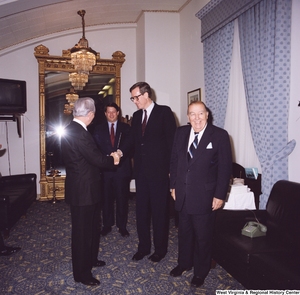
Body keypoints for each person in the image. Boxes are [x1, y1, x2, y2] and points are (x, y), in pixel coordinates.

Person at [169, 101, 232, 287]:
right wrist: (173, 185)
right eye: (192, 114)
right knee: (184, 233)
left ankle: (200, 271)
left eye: (200, 114)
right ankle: (184, 263)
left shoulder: (219, 135)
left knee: (203, 237)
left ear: (207, 115)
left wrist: (220, 195)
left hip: (205, 196)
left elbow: (225, 169)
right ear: (188, 117)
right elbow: (174, 161)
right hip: (182, 193)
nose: (196, 118)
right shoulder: (180, 133)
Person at [61, 97, 121, 286]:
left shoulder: (72, 129)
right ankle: (82, 274)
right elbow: (97, 160)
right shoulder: (80, 133)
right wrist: (114, 158)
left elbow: (86, 159)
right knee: (82, 234)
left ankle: (91, 259)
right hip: (83, 192)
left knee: (92, 229)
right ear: (91, 114)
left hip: (86, 189)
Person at [129, 81, 177, 263]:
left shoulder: (164, 112)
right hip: (141, 173)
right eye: (132, 98)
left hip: (159, 173)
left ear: (146, 94)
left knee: (159, 213)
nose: (134, 101)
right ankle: (143, 247)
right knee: (141, 212)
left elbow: (172, 145)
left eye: (136, 97)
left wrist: (172, 171)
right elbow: (131, 142)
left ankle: (160, 249)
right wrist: (119, 152)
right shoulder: (136, 116)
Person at [93, 102, 132, 237]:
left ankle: (122, 226)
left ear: (118, 113)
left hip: (122, 170)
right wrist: (108, 157)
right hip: (105, 170)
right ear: (105, 114)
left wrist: (119, 155)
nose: (111, 114)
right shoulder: (98, 129)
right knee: (106, 199)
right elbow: (96, 148)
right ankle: (107, 225)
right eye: (108, 112)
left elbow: (129, 146)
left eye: (113, 112)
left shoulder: (126, 128)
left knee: (122, 199)